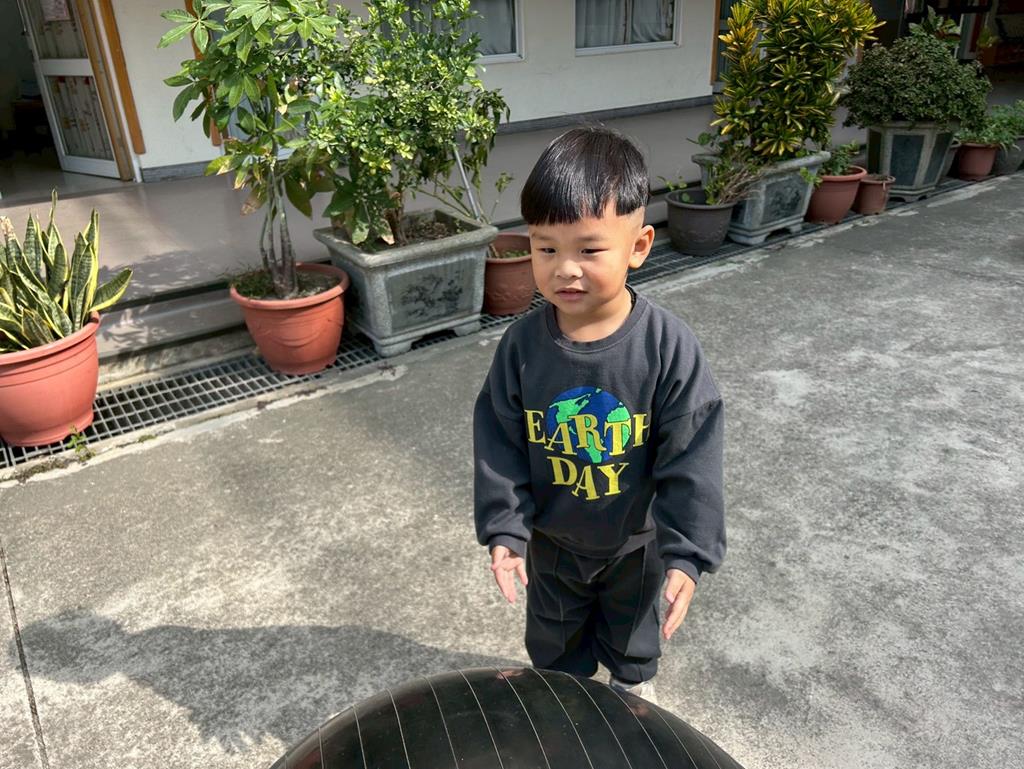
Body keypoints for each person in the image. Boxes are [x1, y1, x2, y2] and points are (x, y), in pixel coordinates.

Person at [473, 125, 726, 704]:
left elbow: (693, 453)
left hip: (636, 543)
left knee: (634, 642)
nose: (565, 268)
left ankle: (632, 702)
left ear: (638, 246)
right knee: (556, 649)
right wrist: (505, 526)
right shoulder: (521, 347)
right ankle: (566, 708)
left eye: (588, 250)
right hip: (552, 543)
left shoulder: (667, 347)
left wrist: (688, 551)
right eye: (546, 248)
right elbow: (499, 441)